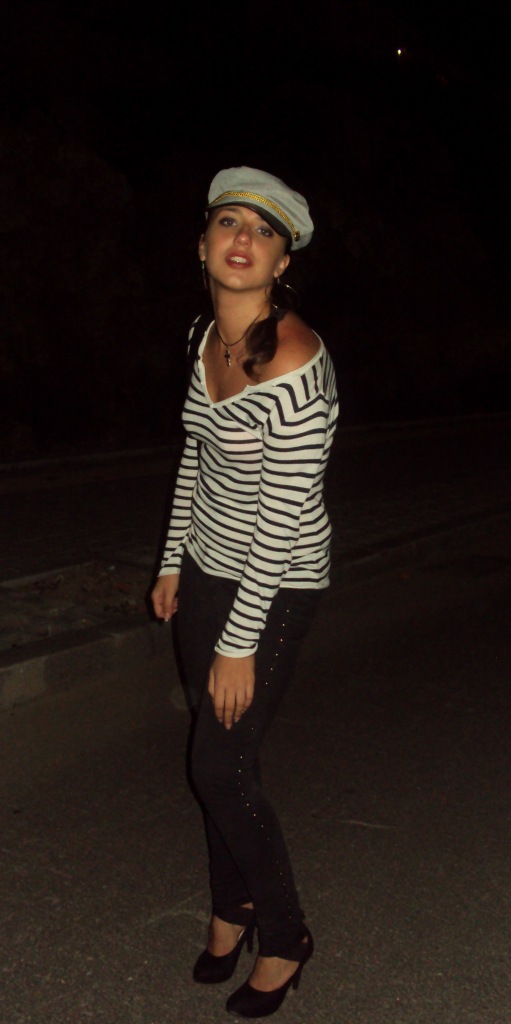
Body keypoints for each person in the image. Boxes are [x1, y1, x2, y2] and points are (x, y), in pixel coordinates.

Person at [151, 166, 339, 1018]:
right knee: (220, 757)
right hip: (205, 566)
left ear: (280, 262)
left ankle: (286, 935)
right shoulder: (205, 337)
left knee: (217, 768)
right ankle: (232, 908)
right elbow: (195, 455)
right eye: (228, 222)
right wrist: (172, 561)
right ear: (202, 245)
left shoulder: (293, 364)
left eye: (263, 232)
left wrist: (237, 642)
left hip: (275, 578)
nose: (242, 239)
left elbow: (281, 516)